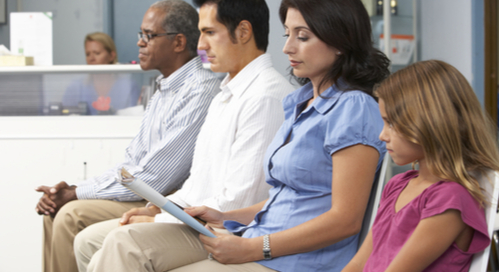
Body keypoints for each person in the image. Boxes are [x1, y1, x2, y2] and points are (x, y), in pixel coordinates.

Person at [81, 0, 390, 271]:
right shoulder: (300, 102)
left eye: (303, 37)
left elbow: (345, 220)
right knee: (117, 246)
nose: (288, 48)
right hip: (259, 239)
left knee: (127, 247)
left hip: (296, 260)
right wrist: (224, 216)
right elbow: (282, 200)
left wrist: (256, 247)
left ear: (340, 41)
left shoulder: (353, 108)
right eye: (288, 35)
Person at [34, 1, 221, 271]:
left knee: (70, 215)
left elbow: (155, 178)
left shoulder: (199, 90)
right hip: (145, 191)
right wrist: (72, 189)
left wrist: (76, 194)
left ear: (179, 42)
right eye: (140, 35)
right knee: (55, 211)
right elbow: (130, 164)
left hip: (165, 199)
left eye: (148, 35)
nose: (140, 43)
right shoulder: (163, 90)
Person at [342, 60, 498, 272]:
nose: (382, 135)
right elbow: (359, 263)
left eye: (392, 124)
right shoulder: (397, 185)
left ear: (431, 124)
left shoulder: (450, 200)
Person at [62, 32, 141, 115]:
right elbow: (65, 115)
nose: (91, 58)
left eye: (97, 53)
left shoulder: (128, 85)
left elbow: (134, 117)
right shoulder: (76, 86)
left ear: (111, 56)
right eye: (87, 54)